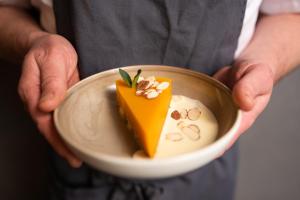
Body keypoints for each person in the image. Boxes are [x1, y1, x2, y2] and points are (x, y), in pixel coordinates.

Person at [0, 0, 300, 199]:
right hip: (77, 172)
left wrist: (262, 63)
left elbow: (292, 13)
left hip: (207, 174)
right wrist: (35, 43)